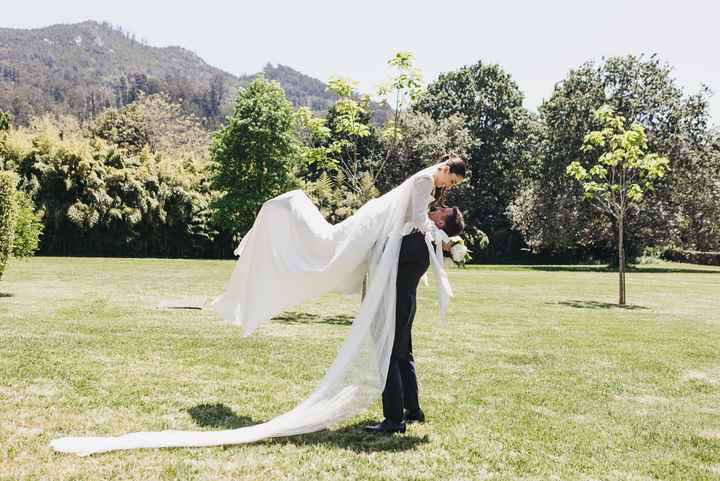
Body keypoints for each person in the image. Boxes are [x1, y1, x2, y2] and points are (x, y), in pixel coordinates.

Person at [50, 154, 467, 456]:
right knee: (398, 344)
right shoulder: (422, 187)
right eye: (451, 182)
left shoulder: (419, 219)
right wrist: (443, 240)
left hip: (402, 270)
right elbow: (414, 222)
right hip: (404, 268)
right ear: (446, 169)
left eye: (449, 191)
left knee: (394, 348)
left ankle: (401, 415)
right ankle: (409, 411)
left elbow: (413, 228)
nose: (447, 191)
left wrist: (439, 239)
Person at [366, 206, 465, 434]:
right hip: (406, 303)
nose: (437, 208)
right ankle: (412, 410)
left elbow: (384, 252)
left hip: (396, 304)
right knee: (402, 355)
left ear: (441, 223)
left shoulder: (420, 241)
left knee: (388, 355)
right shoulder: (427, 242)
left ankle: (393, 419)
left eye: (443, 210)